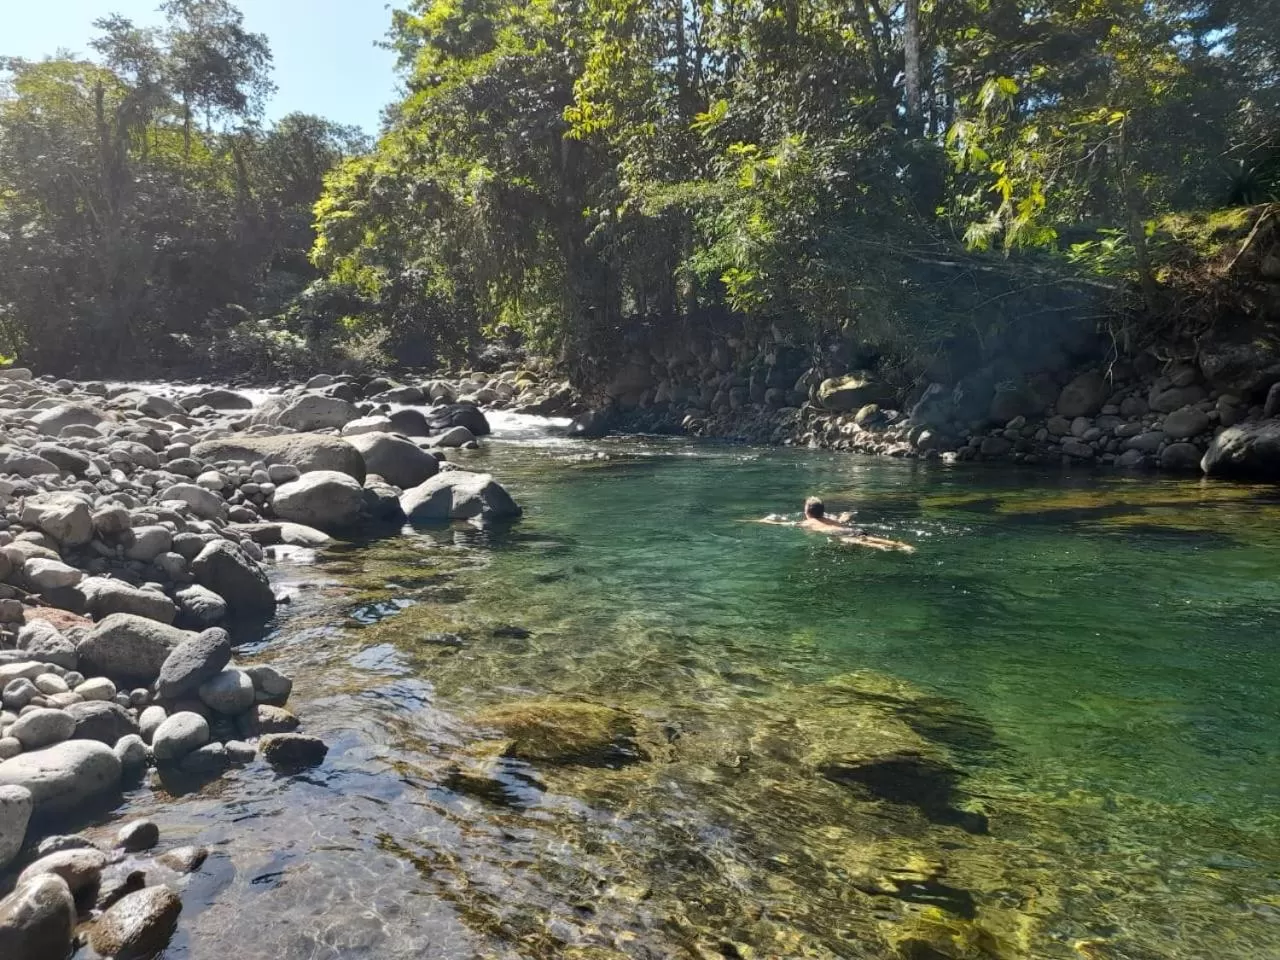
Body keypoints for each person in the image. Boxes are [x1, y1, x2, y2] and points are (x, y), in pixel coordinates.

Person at [759, 497, 916, 553]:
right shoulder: (831, 518)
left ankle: (881, 548)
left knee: (858, 542)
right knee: (866, 537)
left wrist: (763, 521)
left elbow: (782, 524)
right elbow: (842, 520)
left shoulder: (806, 523)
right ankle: (900, 545)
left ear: (807, 512)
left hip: (838, 534)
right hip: (849, 529)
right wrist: (845, 515)